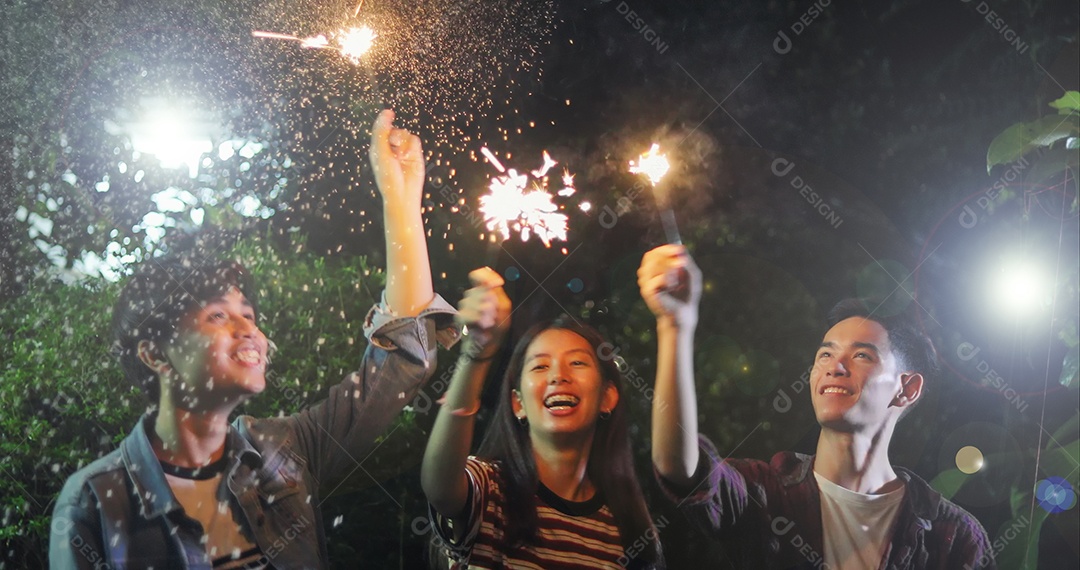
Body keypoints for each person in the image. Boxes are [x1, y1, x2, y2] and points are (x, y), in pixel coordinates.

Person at [49, 110, 458, 569]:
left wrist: (400, 201)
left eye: (249, 314)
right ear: (155, 353)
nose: (248, 329)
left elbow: (402, 358)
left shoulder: (283, 450)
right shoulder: (97, 502)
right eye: (218, 315)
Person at [638, 244, 996, 570]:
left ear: (907, 389)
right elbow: (679, 466)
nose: (834, 366)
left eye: (861, 355)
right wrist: (674, 325)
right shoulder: (764, 493)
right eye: (825, 353)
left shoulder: (952, 536)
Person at [421, 268, 664, 569]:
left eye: (577, 362)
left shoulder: (625, 530)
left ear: (607, 397)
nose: (558, 376)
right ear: (517, 404)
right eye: (539, 367)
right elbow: (440, 488)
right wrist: (477, 350)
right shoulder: (490, 490)